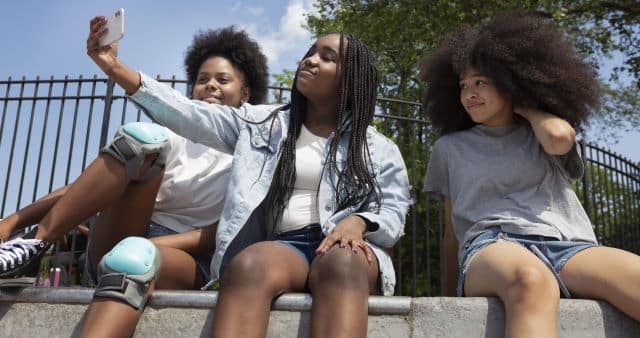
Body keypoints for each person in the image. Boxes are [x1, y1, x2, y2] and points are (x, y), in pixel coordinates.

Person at [87, 15, 411, 337]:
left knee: (342, 261)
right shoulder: (261, 123)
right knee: (249, 264)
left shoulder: (378, 148)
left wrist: (358, 222)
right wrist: (115, 67)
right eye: (310, 52)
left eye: (327, 58)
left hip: (347, 246)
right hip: (288, 245)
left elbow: (393, 208)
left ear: (350, 79)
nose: (310, 60)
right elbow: (189, 114)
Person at [0, 24, 268, 337]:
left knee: (134, 257)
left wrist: (144, 245)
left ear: (246, 93)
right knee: (141, 139)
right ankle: (32, 248)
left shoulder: (254, 155)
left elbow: (220, 233)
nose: (209, 86)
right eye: (201, 80)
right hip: (123, 232)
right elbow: (87, 188)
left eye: (222, 80)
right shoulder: (173, 136)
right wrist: (10, 223)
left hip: (182, 256)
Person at [422, 11, 640, 337]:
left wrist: (523, 104)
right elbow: (452, 231)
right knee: (531, 279)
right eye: (463, 85)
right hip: (491, 246)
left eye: (481, 82)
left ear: (510, 81)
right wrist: (447, 295)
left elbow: (560, 137)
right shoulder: (449, 148)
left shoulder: (541, 133)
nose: (469, 94)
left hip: (567, 245)